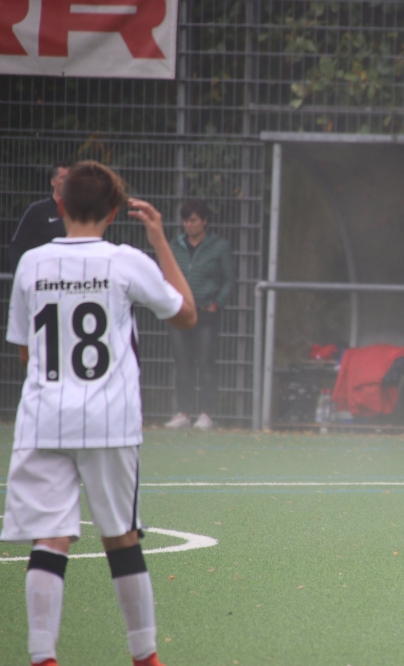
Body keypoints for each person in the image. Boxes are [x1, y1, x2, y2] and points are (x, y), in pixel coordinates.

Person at [2, 161, 197, 666]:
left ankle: (42, 655)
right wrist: (159, 239)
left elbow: (24, 352)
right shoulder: (124, 261)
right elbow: (185, 314)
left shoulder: (32, 265)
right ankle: (145, 656)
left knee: (50, 539)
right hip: (109, 420)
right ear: (114, 211)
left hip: (44, 419)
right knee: (121, 539)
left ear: (59, 204)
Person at [163, 200, 234, 430]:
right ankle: (183, 413)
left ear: (205, 221)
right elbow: (166, 275)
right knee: (182, 363)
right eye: (186, 220)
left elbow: (229, 279)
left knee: (206, 363)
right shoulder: (175, 245)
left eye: (193, 220)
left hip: (206, 313)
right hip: (180, 313)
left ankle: (206, 415)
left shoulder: (219, 246)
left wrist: (217, 303)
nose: (189, 225)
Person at [8, 161, 72, 271]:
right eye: (63, 178)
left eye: (70, 178)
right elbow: (17, 245)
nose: (67, 181)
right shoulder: (36, 210)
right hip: (42, 275)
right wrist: (22, 275)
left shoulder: (81, 212)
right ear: (53, 181)